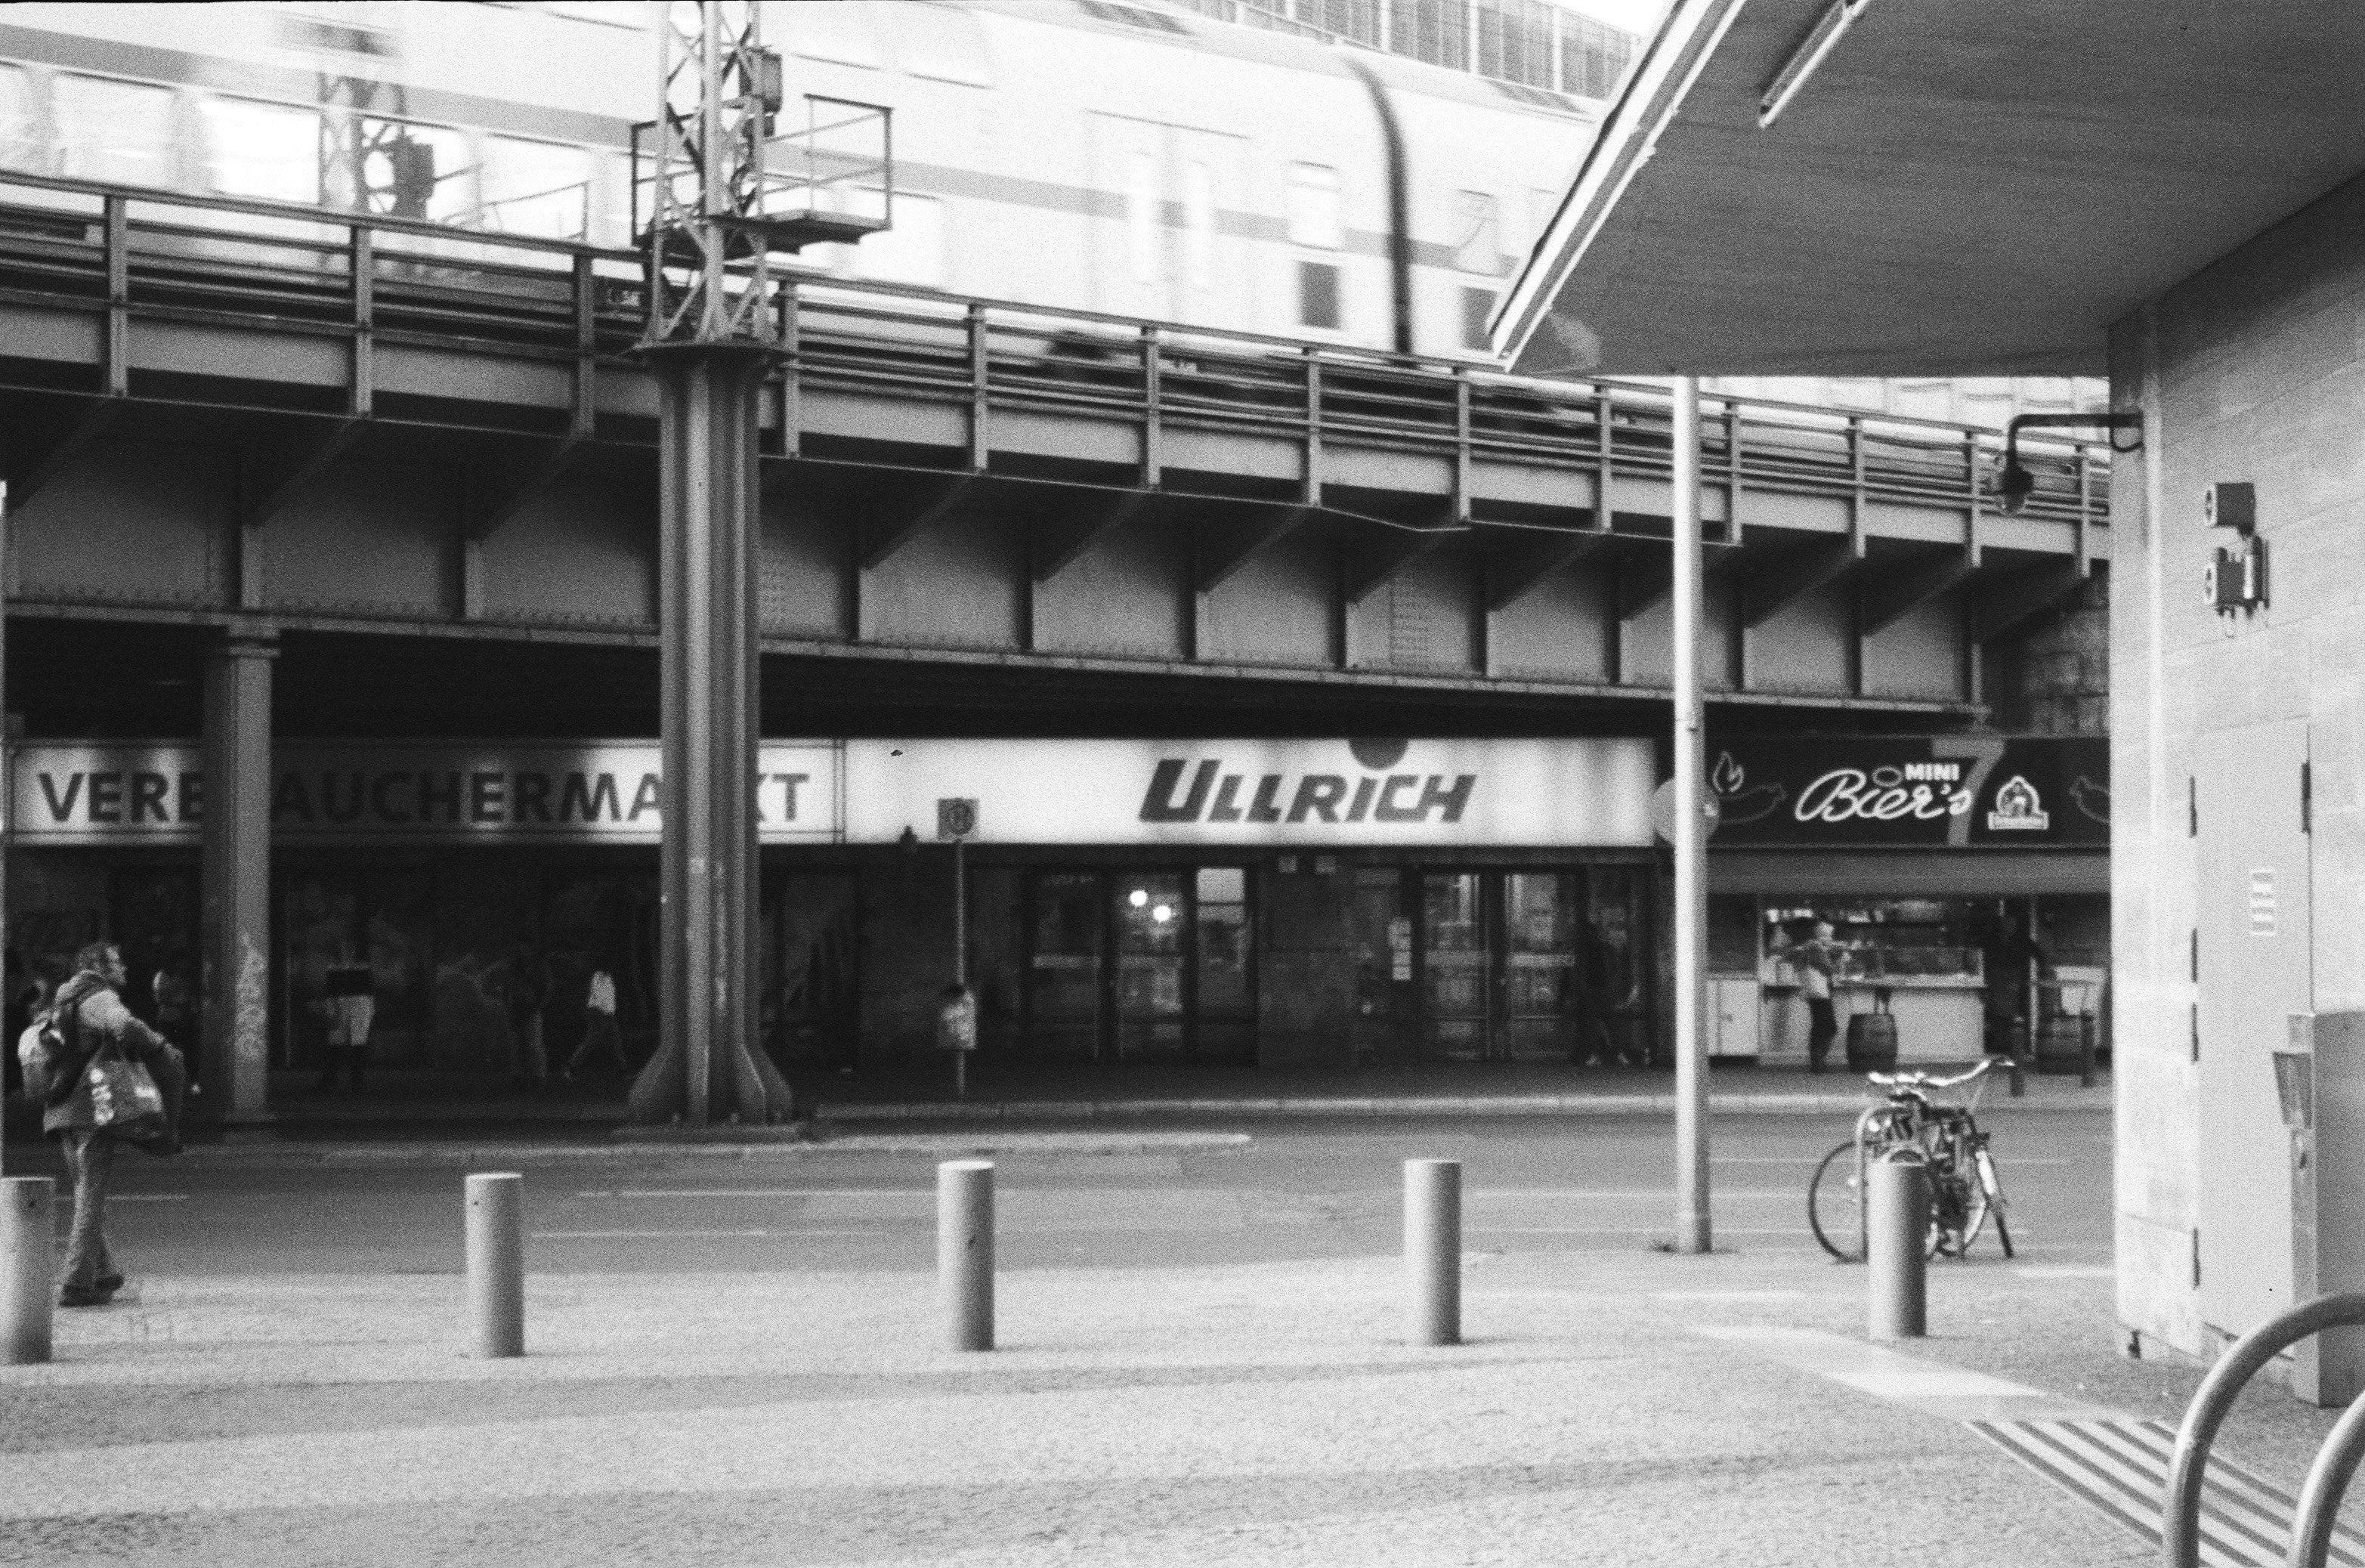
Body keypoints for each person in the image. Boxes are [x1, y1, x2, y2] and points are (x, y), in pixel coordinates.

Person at [39, 941, 185, 1309]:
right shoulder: (100, 997)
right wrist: (158, 1045)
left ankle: (104, 1273)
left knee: (84, 1192)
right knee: (90, 1195)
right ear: (99, 967)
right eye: (117, 962)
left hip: (64, 1107)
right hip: (94, 1108)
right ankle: (75, 1283)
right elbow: (125, 1026)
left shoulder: (66, 997)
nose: (124, 968)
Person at [314, 961, 375, 1093]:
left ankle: (344, 1080)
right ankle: (348, 1080)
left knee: (353, 1041)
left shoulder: (341, 965)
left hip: (355, 999)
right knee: (340, 1040)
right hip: (351, 999)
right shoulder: (345, 965)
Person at [561, 958, 626, 1081]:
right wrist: (605, 1011)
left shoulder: (606, 977)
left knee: (614, 1041)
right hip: (600, 1013)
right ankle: (571, 1066)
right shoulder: (599, 976)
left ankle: (621, 1068)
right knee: (594, 1040)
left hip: (605, 1013)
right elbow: (600, 996)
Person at [1795, 919, 1843, 1074]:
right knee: (1827, 1027)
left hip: (1814, 991)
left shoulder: (1811, 948)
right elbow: (1828, 970)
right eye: (1828, 935)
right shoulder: (1815, 948)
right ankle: (1818, 1062)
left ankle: (1818, 1061)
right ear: (1821, 935)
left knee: (1820, 1025)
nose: (1830, 938)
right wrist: (1841, 959)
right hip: (1819, 992)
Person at [508, 948, 549, 1090]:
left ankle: (536, 1076)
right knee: (519, 1044)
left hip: (529, 1008)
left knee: (532, 1044)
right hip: (518, 1008)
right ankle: (524, 1076)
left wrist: (537, 1006)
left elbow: (545, 987)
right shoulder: (517, 966)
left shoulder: (536, 966)